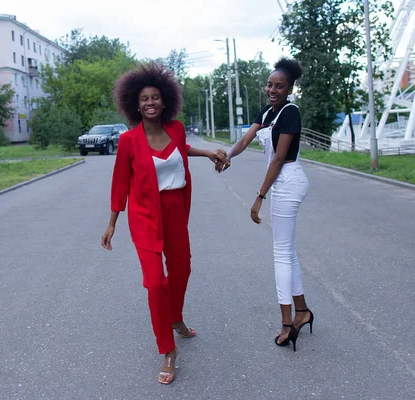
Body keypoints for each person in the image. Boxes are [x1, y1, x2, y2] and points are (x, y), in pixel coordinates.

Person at [101, 62, 227, 384]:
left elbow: (178, 149)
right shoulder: (129, 141)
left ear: (165, 100)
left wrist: (207, 153)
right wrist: (113, 222)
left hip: (174, 210)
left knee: (182, 270)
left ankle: (176, 317)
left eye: (155, 97)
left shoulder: (177, 128)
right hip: (144, 216)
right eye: (144, 99)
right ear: (135, 104)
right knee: (156, 283)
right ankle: (168, 350)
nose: (151, 103)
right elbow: (119, 183)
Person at [216, 58, 313, 351]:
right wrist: (228, 155)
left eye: (279, 86)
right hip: (282, 183)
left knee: (281, 254)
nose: (272, 89)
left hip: (289, 181)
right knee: (288, 252)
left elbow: (279, 159)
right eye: (270, 84)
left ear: (289, 88)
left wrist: (259, 197)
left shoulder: (290, 113)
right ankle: (303, 311)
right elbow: (245, 141)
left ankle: (287, 322)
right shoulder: (268, 112)